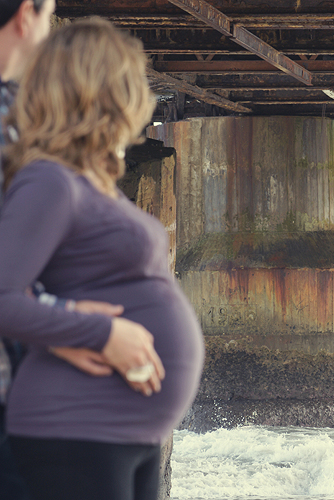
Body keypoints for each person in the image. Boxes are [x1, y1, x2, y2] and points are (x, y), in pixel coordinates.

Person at [0, 17, 205, 500]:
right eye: (131, 77)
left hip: (120, 428)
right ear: (105, 88)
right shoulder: (50, 181)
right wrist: (102, 331)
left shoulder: (89, 179)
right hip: (77, 423)